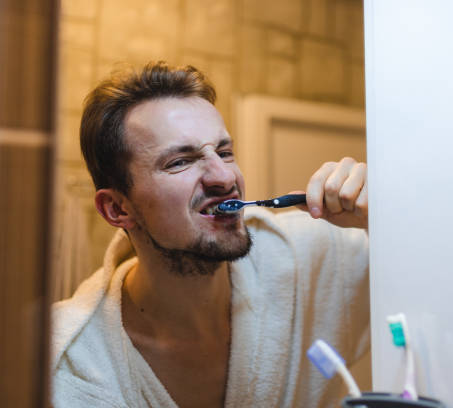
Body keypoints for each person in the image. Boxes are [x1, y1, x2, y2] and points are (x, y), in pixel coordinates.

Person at [51, 61, 369, 408]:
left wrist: (384, 218)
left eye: (225, 152)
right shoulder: (70, 363)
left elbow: (433, 275)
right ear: (117, 209)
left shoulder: (308, 257)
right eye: (179, 162)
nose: (224, 176)